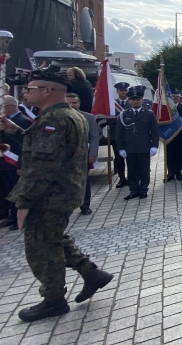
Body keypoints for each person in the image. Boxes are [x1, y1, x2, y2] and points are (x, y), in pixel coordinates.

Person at [0, 67, 113, 322]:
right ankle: (92, 274)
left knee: (41, 247)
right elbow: (43, 145)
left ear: (47, 90)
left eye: (30, 89)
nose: (26, 93)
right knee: (54, 238)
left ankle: (53, 299)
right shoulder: (67, 115)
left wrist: (24, 201)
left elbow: (43, 162)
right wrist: (16, 131)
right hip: (62, 191)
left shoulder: (54, 119)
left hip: (49, 194)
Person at [116, 87, 159, 200]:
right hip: (129, 147)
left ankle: (143, 189)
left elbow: (154, 131)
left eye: (138, 99)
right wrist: (121, 148)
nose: (135, 101)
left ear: (142, 100)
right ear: (129, 100)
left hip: (144, 146)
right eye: (133, 99)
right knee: (132, 170)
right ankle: (134, 190)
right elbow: (119, 133)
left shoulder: (149, 114)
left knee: (144, 169)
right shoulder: (123, 114)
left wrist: (154, 146)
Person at [1, 95, 32, 229]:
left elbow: (24, 145)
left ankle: (17, 218)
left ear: (11, 106)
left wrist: (21, 164)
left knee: (17, 191)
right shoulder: (6, 121)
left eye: (2, 107)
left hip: (15, 162)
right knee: (7, 189)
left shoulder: (23, 121)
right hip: (5, 162)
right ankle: (10, 216)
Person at [66, 93, 99, 215]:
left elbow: (95, 136)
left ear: (79, 103)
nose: (71, 105)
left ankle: (85, 206)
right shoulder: (59, 118)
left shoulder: (89, 117)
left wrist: (93, 154)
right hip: (65, 157)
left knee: (84, 181)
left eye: (74, 102)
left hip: (83, 155)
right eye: (68, 102)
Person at [110, 82, 130, 188]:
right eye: (121, 90)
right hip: (116, 135)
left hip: (130, 135)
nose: (123, 92)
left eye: (125, 90)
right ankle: (121, 178)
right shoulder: (112, 104)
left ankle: (131, 178)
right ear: (117, 91)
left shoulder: (131, 103)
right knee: (119, 157)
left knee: (130, 157)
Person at [165, 91, 182, 181]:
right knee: (170, 155)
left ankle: (178, 172)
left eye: (177, 96)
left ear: (180, 98)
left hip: (181, 135)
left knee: (180, 154)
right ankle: (170, 172)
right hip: (169, 135)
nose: (175, 98)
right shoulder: (166, 109)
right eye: (174, 96)